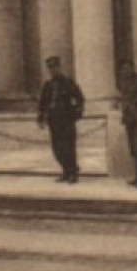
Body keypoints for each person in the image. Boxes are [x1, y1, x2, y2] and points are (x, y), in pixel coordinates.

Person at [36, 55, 85, 183]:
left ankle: (73, 173)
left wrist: (75, 114)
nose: (53, 70)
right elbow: (42, 103)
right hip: (53, 121)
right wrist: (41, 118)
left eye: (55, 67)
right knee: (57, 148)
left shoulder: (68, 83)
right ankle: (66, 170)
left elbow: (79, 99)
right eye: (50, 68)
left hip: (66, 120)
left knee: (69, 147)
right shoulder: (48, 85)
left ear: (60, 67)